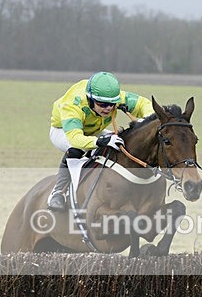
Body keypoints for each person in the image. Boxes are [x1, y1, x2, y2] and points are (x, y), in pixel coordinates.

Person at [47, 71, 155, 211]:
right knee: (77, 149)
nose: (108, 108)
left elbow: (144, 104)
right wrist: (99, 142)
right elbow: (75, 138)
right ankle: (58, 192)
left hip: (93, 130)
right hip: (64, 130)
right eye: (102, 105)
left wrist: (146, 120)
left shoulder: (114, 97)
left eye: (112, 104)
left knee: (122, 142)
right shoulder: (72, 106)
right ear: (90, 99)